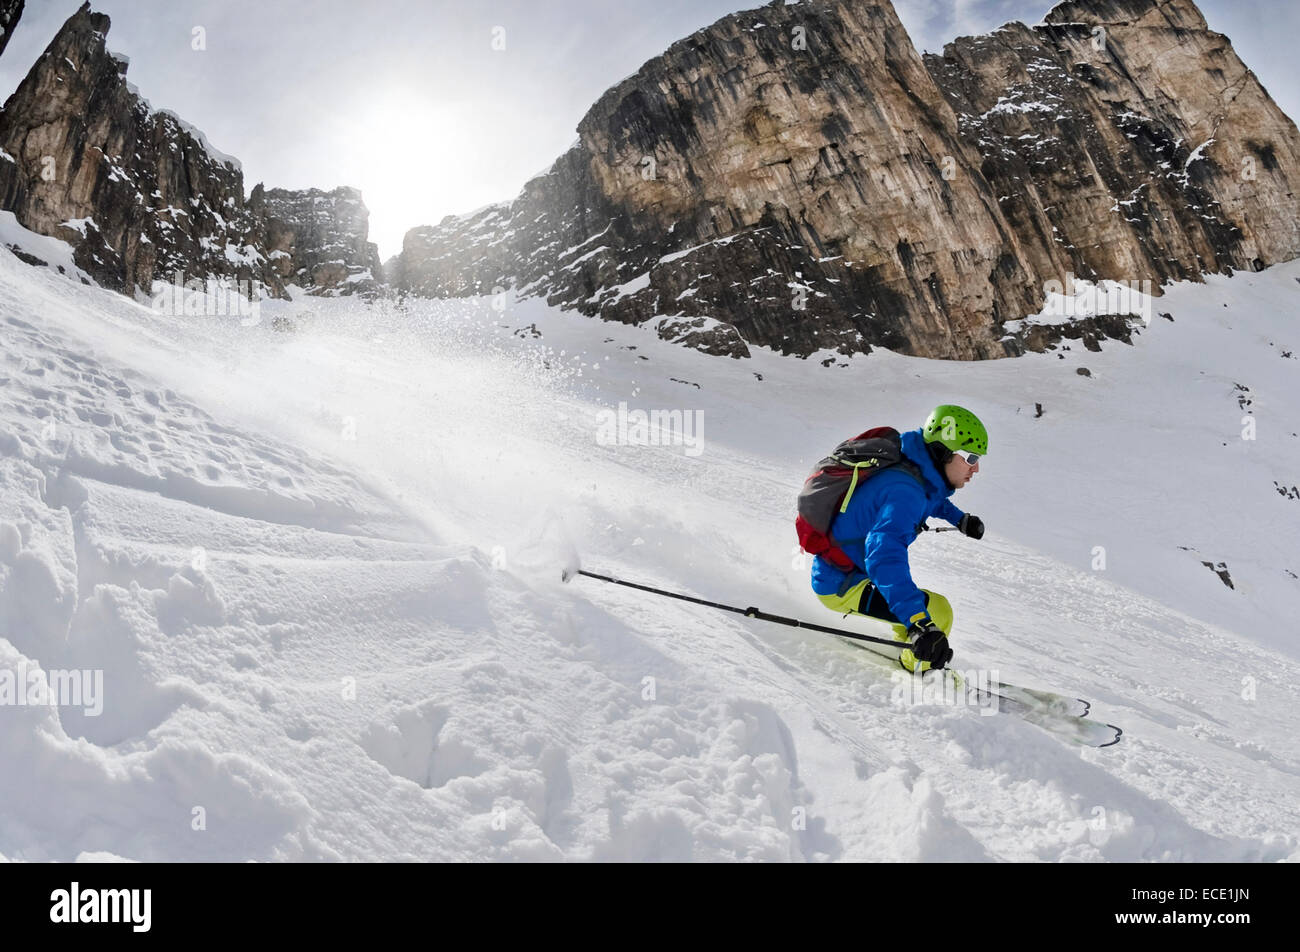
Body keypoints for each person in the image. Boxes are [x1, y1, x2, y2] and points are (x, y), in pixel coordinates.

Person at [810, 405, 987, 673]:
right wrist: (920, 624)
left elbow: (932, 498)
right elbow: (883, 558)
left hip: (847, 570)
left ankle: (907, 639)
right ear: (943, 452)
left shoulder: (914, 470)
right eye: (971, 457)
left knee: (914, 602)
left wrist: (959, 519)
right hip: (844, 583)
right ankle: (919, 669)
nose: (976, 468)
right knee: (938, 611)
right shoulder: (905, 491)